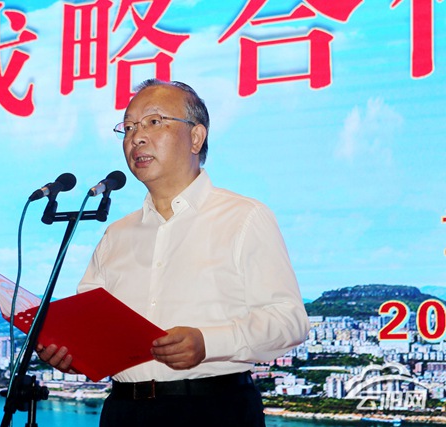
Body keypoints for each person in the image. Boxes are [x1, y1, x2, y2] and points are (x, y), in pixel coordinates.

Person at [37, 79, 310, 426]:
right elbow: (94, 328)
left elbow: (289, 320)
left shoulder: (244, 217)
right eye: (128, 127)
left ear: (196, 137)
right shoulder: (115, 235)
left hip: (213, 410)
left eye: (154, 122)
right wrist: (72, 354)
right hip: (124, 411)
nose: (136, 137)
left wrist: (208, 342)